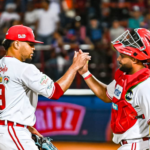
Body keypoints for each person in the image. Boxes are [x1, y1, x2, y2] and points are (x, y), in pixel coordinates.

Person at [0, 25, 91, 150]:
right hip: (12, 132)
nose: (33, 48)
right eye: (30, 44)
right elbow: (56, 92)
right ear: (16, 44)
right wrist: (74, 67)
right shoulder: (24, 69)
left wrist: (27, 126)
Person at [78, 28, 150, 150]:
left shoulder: (145, 86)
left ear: (134, 58)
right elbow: (106, 95)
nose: (118, 59)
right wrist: (85, 73)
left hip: (138, 145)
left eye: (122, 56)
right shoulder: (124, 77)